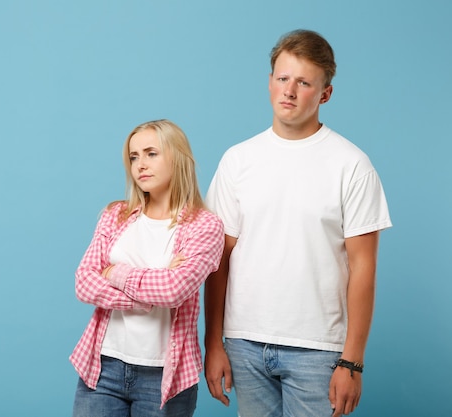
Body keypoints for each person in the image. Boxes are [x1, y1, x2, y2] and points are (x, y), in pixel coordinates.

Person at [204, 29, 392, 417]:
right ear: (270, 82)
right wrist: (214, 344)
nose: (289, 91)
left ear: (325, 94)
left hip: (318, 349)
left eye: (303, 82)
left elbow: (363, 268)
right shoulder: (237, 161)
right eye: (282, 78)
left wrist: (352, 361)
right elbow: (217, 261)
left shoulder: (351, 165)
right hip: (245, 343)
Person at [70, 119, 224, 417]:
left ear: (177, 157)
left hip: (163, 375)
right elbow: (84, 282)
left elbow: (172, 291)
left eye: (151, 153)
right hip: (103, 366)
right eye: (134, 156)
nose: (140, 164)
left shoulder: (204, 226)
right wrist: (152, 288)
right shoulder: (116, 215)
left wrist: (114, 272)